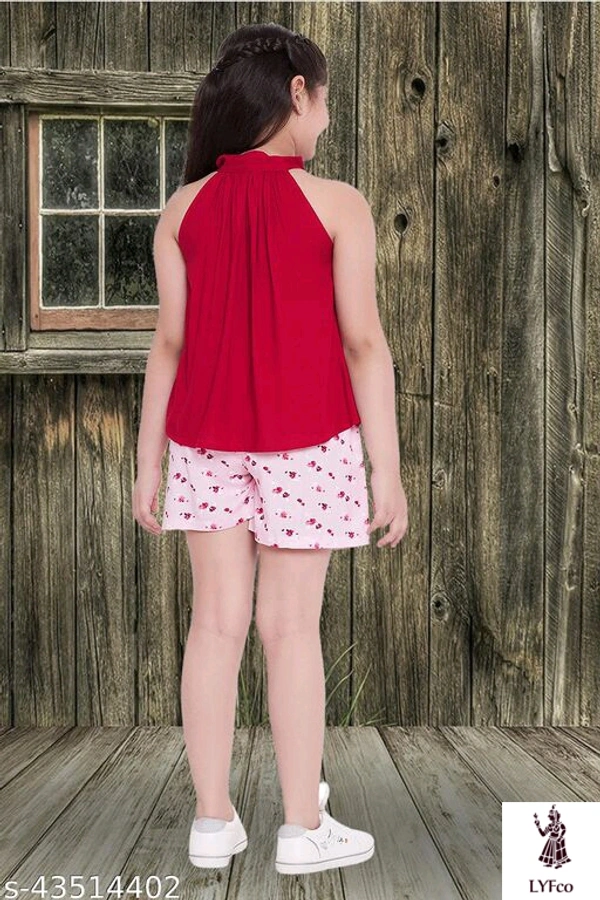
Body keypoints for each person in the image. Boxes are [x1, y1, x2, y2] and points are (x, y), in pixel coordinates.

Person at [132, 21, 408, 876]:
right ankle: (301, 826)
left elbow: (168, 345)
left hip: (204, 447)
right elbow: (363, 343)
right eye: (324, 101)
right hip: (309, 447)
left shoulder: (181, 210)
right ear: (296, 94)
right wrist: (388, 469)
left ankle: (212, 822)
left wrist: (147, 463)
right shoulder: (339, 204)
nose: (326, 118)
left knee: (214, 626)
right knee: (290, 631)